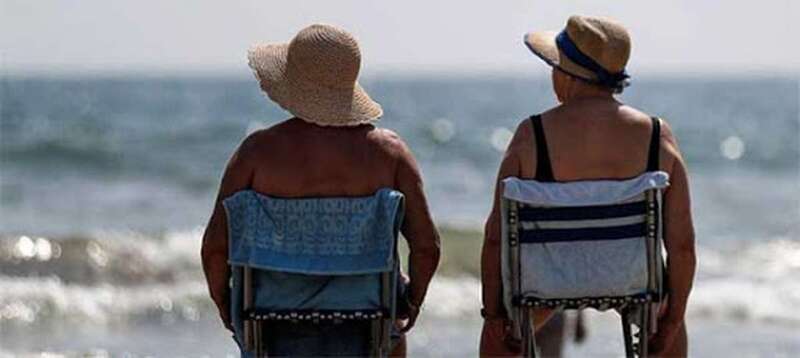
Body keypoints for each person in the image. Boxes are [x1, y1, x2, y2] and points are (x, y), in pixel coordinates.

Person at [200, 23, 441, 356]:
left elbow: (215, 246)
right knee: (393, 331)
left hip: (270, 327)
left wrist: (226, 306)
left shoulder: (255, 154)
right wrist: (411, 303)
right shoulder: (390, 154)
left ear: (292, 85)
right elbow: (426, 247)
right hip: (366, 326)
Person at [480, 15, 696, 357]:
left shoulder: (531, 136)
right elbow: (682, 245)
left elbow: (495, 237)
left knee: (501, 328)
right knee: (669, 315)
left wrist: (493, 316)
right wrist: (672, 320)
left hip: (546, 284)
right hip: (632, 282)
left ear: (566, 74)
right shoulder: (656, 137)